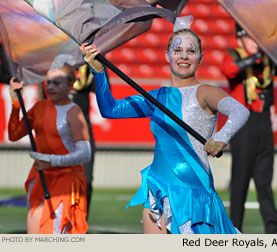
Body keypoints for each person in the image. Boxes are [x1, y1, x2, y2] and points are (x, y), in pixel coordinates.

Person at [80, 17, 250, 234]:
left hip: (193, 194)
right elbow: (110, 110)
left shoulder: (206, 91)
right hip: (158, 191)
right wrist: (99, 72)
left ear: (201, 57)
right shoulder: (157, 97)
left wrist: (220, 138)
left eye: (192, 51)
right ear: (167, 55)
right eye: (177, 50)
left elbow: (240, 111)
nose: (184, 56)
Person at [7, 61, 91, 234]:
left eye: (57, 83)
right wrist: (16, 103)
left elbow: (85, 153)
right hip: (40, 178)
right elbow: (14, 134)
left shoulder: (73, 112)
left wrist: (52, 160)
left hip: (66, 182)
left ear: (70, 85)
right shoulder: (39, 107)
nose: (50, 87)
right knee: (34, 236)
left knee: (52, 235)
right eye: (49, 82)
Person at [220, 24, 277, 233]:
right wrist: (251, 59)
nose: (254, 43)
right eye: (250, 38)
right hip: (244, 122)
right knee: (241, 177)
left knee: (264, 177)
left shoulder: (266, 58)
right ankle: (234, 227)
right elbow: (228, 69)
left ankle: (274, 228)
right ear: (239, 39)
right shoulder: (233, 55)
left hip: (264, 119)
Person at [71, 64, 96, 219]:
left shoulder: (86, 65)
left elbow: (103, 91)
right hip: (59, 133)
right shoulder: (56, 62)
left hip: (83, 134)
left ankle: (81, 223)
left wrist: (97, 66)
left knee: (86, 180)